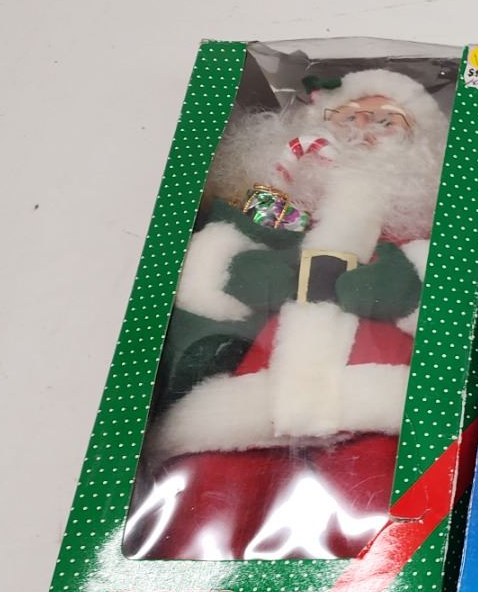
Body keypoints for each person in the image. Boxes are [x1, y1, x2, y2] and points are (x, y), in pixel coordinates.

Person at [124, 67, 451, 561]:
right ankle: (185, 588)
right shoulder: (273, 208)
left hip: (375, 389)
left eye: (388, 121)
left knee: (382, 500)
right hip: (258, 390)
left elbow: (450, 295)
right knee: (212, 495)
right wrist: (241, 272)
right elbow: (201, 275)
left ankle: (384, 585)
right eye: (351, 116)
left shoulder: (420, 224)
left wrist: (403, 287)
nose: (365, 129)